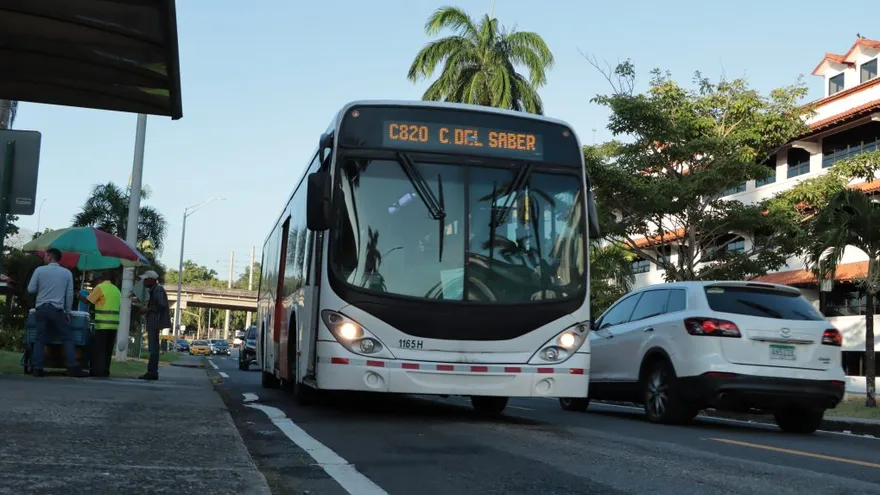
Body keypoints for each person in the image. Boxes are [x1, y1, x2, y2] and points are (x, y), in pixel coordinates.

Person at [26, 248, 86, 377]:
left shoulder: (39, 270)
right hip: (57, 309)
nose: (44, 258)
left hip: (41, 308)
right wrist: (68, 311)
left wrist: (42, 288)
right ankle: (72, 367)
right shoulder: (67, 273)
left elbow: (31, 289)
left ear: (50, 257)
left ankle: (37, 368)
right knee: (68, 338)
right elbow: (69, 295)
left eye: (45, 256)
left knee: (40, 339)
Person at [78, 271, 121, 378]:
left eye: (94, 282)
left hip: (103, 325)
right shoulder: (116, 289)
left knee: (99, 350)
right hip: (114, 325)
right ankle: (105, 371)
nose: (93, 285)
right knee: (108, 350)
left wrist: (78, 295)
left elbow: (87, 301)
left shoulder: (101, 287)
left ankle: (98, 371)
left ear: (99, 280)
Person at [138, 270, 171, 381]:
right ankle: (152, 372)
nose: (144, 281)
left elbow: (161, 305)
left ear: (152, 280)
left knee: (153, 348)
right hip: (153, 321)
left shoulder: (158, 290)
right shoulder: (154, 290)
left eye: (146, 279)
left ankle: (152, 372)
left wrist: (147, 310)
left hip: (155, 321)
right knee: (153, 347)